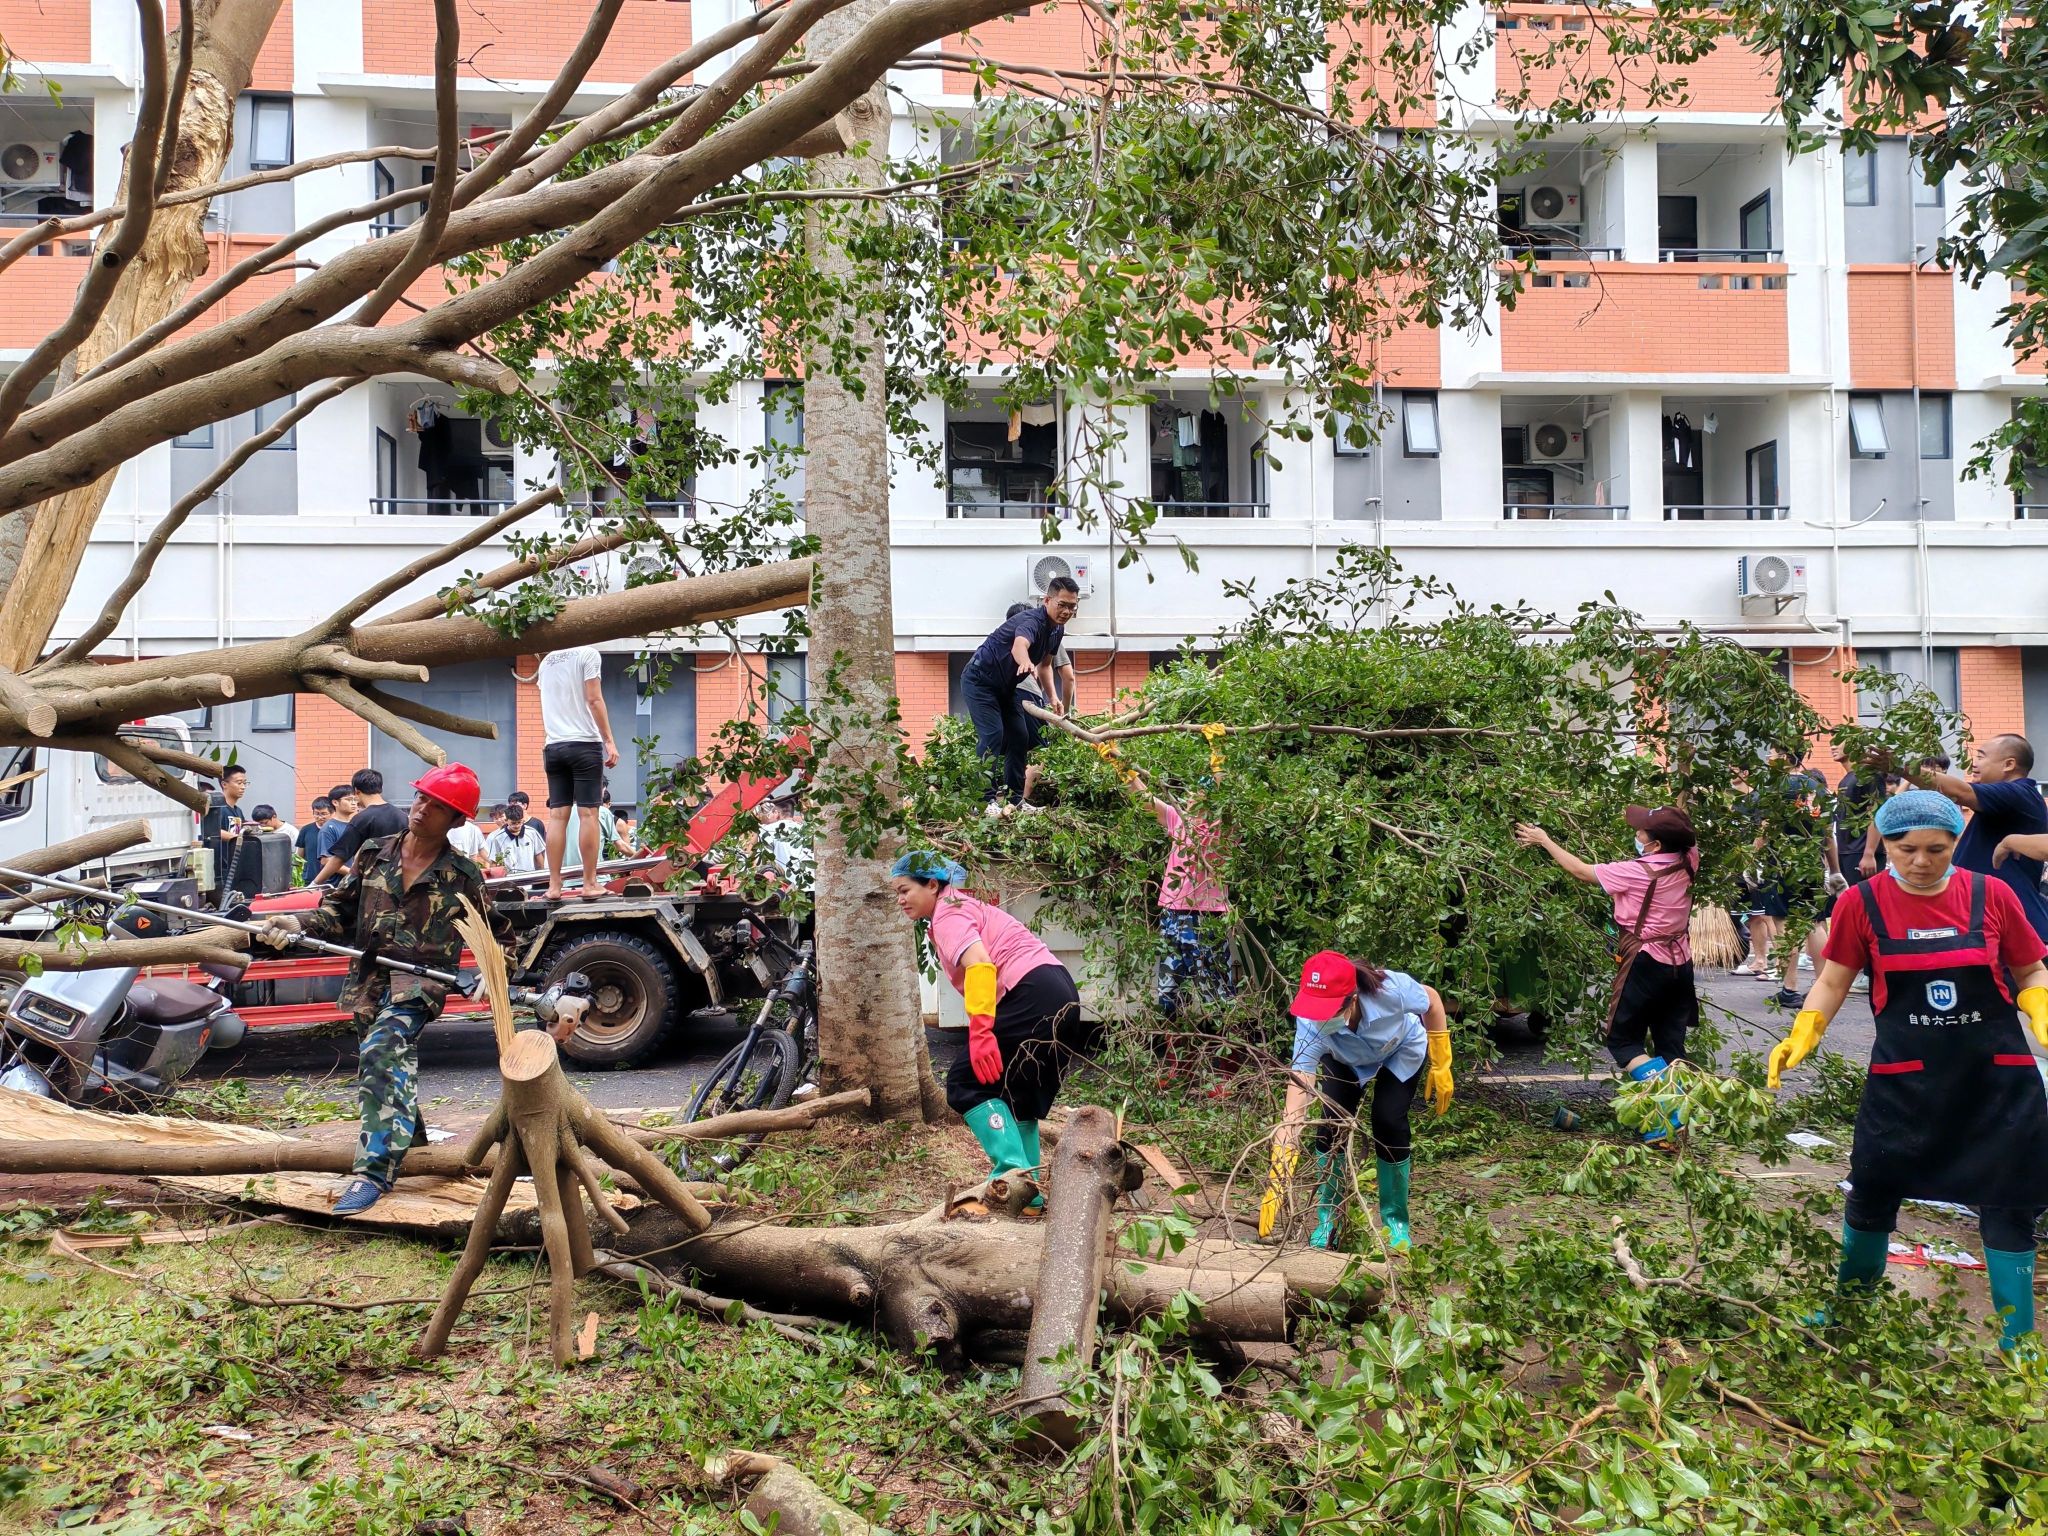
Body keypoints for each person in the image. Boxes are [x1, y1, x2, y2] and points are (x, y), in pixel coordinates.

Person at [1765, 789, 2048, 1353]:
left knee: (2010, 1202)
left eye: (1936, 850)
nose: (1921, 862)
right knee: (1872, 1188)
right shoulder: (1861, 903)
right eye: (1905, 848)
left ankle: (2018, 1340)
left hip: (1997, 1083)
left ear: (1955, 842)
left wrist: (2039, 1003)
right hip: (1905, 1082)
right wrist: (1806, 1029)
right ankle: (1850, 1311)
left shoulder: (1990, 894)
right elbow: (1833, 979)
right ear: (1884, 844)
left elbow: (2031, 968)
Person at [254, 764, 498, 1217]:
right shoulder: (373, 853)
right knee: (389, 1064)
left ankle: (373, 1172)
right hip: (368, 981)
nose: (421, 810)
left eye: (436, 806)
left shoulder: (462, 874)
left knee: (384, 1051)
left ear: (456, 820)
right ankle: (418, 1152)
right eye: (421, 798)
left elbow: (498, 933)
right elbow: (339, 912)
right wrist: (296, 922)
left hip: (420, 984)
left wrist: (494, 969)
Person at [889, 850, 1096, 1182]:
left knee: (964, 1081)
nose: (900, 900)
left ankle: (1010, 1177)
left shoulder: (948, 913)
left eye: (904, 890)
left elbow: (980, 965)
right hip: (1059, 990)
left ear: (932, 885)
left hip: (1033, 991)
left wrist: (981, 1031)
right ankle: (1028, 1191)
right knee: (1016, 1092)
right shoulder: (963, 906)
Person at [1515, 806, 1698, 1142]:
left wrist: (1544, 840)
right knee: (1671, 1044)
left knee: (1623, 1041)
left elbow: (1582, 871)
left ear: (1656, 845)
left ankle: (1668, 1118)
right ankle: (1680, 1122)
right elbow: (1686, 833)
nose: (1637, 835)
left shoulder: (1638, 871)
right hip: (1680, 963)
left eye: (1642, 832)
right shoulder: (1689, 859)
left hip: (1646, 962)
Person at [1257, 951, 1452, 1251]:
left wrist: (1441, 1060)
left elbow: (1433, 1001)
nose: (1320, 1019)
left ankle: (1396, 1223)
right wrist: (1278, 1175)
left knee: (1388, 1121)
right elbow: (1294, 1109)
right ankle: (1328, 1220)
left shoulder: (1391, 990)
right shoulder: (1310, 1024)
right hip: (1345, 1058)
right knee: (1330, 1126)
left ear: (1353, 999)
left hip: (1400, 1049)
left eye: (1328, 1011)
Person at [959, 578, 1081, 816]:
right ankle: (982, 802)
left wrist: (1053, 697)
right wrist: (1025, 662)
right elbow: (1019, 646)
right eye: (1062, 605)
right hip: (980, 681)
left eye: (1072, 606)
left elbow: (1045, 665)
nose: (1067, 611)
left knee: (1020, 736)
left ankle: (1016, 801)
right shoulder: (1032, 621)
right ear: (1047, 600)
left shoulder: (1057, 630)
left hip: (1006, 688)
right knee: (993, 734)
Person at [1911, 734, 2048, 943]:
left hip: (2009, 927)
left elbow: (1960, 791)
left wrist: (1898, 767)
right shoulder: (2002, 801)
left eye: (1981, 757)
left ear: (2009, 764)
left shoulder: (2019, 794)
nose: (1974, 764)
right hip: (1989, 921)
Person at [1127, 770, 1234, 1022]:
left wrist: (1219, 767)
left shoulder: (1224, 827)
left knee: (1215, 992)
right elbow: (1146, 800)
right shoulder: (1179, 820)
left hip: (1206, 918)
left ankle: (1226, 1039)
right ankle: (1174, 1039)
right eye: (1191, 794)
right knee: (1169, 991)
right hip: (1173, 916)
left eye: (1197, 793)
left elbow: (1229, 801)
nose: (1189, 798)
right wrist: (1125, 771)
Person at [533, 647, 620, 901]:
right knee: (588, 814)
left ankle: (554, 886)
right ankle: (590, 883)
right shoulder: (588, 654)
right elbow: (594, 700)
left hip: (553, 746)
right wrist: (609, 740)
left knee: (557, 817)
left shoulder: (547, 661)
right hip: (583, 744)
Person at [1005, 601, 1079, 806]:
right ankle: (1020, 801)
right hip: (1027, 694)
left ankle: (997, 798)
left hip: (999, 694)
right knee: (1040, 749)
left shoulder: (1002, 636)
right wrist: (1064, 712)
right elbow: (1068, 676)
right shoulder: (1048, 632)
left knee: (1011, 746)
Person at [313, 769, 407, 886]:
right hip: (400, 881)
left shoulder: (362, 819)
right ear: (380, 788)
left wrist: (315, 883)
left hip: (372, 884)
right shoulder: (402, 816)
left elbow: (340, 857)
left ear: (357, 791)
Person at [199, 765, 250, 902]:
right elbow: (213, 831)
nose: (243, 787)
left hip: (234, 868)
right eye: (239, 783)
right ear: (224, 784)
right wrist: (237, 838)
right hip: (221, 871)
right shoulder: (218, 809)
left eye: (245, 783)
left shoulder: (238, 811)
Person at [486, 795, 548, 875]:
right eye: (513, 823)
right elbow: (494, 862)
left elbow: (539, 855)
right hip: (509, 877)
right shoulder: (498, 838)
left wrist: (541, 875)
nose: (517, 826)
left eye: (519, 822)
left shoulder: (532, 833)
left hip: (530, 876)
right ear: (506, 820)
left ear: (523, 820)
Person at [313, 782, 360, 877]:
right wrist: (353, 873)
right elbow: (325, 860)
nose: (353, 803)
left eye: (355, 799)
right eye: (349, 799)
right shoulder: (329, 828)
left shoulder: (357, 824)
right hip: (336, 884)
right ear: (335, 802)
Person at [294, 797, 332, 886]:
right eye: (317, 813)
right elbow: (299, 856)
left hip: (331, 880)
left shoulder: (334, 830)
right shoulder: (306, 830)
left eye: (324, 814)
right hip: (309, 879)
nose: (320, 817)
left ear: (332, 813)